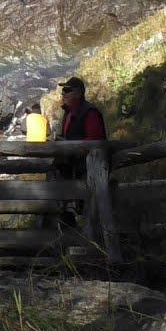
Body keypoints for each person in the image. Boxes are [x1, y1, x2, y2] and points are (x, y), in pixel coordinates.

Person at [53, 78, 105, 228]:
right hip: (70, 167)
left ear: (78, 93)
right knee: (62, 203)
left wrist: (69, 144)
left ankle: (88, 235)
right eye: (63, 91)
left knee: (87, 206)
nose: (63, 94)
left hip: (85, 169)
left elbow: (95, 141)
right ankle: (68, 230)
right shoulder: (69, 113)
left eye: (67, 90)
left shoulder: (90, 113)